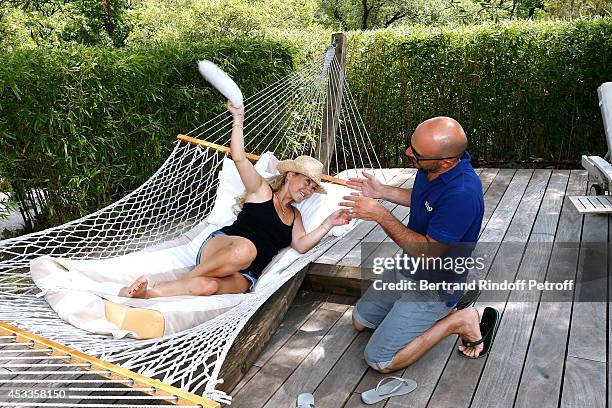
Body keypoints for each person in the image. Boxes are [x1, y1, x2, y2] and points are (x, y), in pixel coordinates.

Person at [120, 101, 350, 299]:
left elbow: (300, 244)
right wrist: (238, 118)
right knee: (246, 250)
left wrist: (329, 222)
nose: (309, 190)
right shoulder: (261, 190)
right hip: (225, 246)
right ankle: (186, 278)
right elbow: (239, 158)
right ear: (290, 175)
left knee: (209, 285)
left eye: (313, 187)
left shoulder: (295, 216)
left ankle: (148, 294)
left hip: (246, 274)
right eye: (306, 181)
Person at [341, 116, 497, 372]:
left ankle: (459, 320)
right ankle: (418, 313)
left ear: (446, 161)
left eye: (416, 153)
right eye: (411, 145)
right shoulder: (432, 167)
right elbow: (426, 201)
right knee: (360, 322)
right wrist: (383, 191)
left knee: (380, 359)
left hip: (434, 286)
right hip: (407, 267)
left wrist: (380, 214)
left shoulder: (462, 194)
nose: (408, 153)